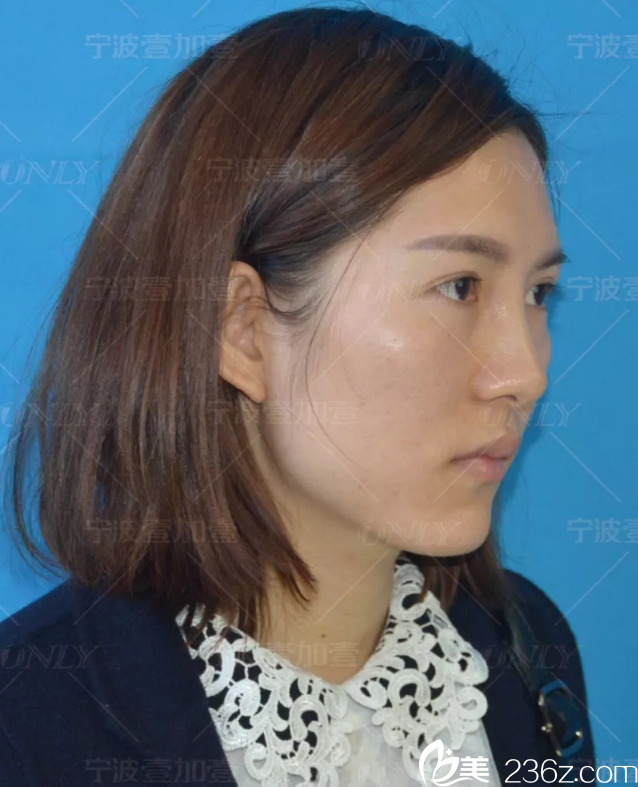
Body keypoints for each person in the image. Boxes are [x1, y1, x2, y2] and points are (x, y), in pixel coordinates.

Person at [0, 6, 597, 786]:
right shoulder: (29, 727)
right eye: (459, 286)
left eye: (538, 293)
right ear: (242, 329)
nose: (525, 373)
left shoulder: (525, 650)